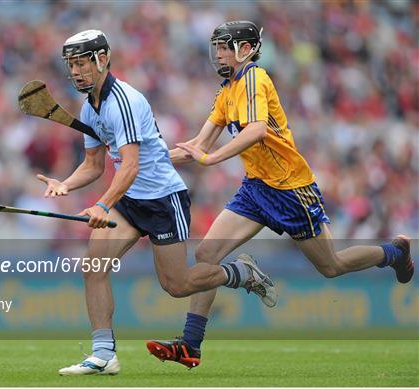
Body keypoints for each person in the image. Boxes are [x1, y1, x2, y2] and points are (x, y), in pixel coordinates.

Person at [146, 20, 415, 369]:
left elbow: (256, 131)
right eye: (216, 47)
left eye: (225, 46)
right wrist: (144, 160)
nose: (218, 54)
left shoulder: (255, 79)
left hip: (290, 189)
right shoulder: (227, 90)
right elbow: (196, 146)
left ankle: (394, 252)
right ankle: (191, 345)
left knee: (330, 265)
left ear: (245, 50)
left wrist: (211, 158)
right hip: (256, 188)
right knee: (206, 251)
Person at [36, 29, 276, 376]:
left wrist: (102, 205)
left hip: (163, 200)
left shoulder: (125, 101)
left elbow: (130, 165)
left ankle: (241, 273)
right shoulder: (89, 108)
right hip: (130, 200)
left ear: (102, 60)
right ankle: (103, 354)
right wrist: (65, 184)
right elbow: (93, 165)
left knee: (176, 286)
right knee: (93, 267)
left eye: (82, 63)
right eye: (71, 65)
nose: (75, 71)